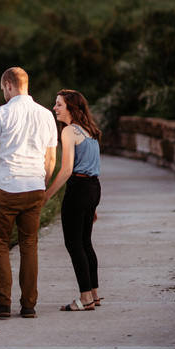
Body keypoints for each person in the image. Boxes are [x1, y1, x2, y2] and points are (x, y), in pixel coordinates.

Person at [0, 66, 58, 319]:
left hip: (6, 189)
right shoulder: (47, 115)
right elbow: (51, 160)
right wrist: (41, 184)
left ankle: (2, 304)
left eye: (2, 88)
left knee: (0, 244)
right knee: (29, 245)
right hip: (35, 187)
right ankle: (28, 305)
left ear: (7, 85)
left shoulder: (0, 113)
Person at [46, 89, 103, 311]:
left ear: (71, 107)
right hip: (93, 188)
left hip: (79, 189)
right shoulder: (89, 131)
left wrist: (46, 195)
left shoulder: (69, 131)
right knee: (85, 242)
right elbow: (94, 168)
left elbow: (67, 169)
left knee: (74, 244)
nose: (55, 108)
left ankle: (85, 299)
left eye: (59, 104)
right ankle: (94, 295)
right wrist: (92, 203)